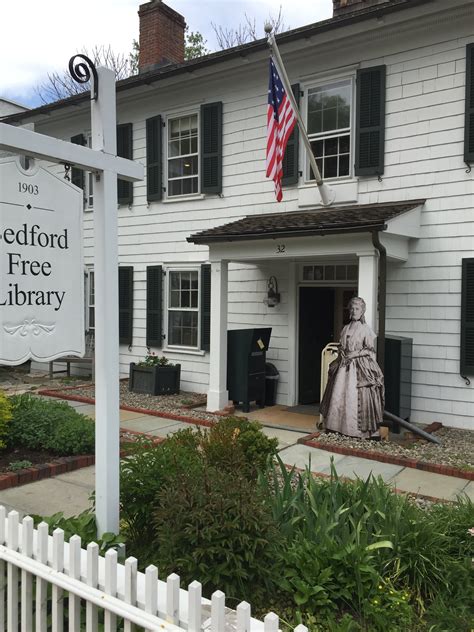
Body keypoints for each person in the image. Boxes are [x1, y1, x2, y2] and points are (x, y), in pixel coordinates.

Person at [320, 297, 384, 439]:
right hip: (344, 367)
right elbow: (342, 345)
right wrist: (342, 352)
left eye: (357, 309)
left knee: (353, 396)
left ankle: (355, 431)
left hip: (359, 368)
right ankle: (336, 427)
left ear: (362, 311)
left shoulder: (365, 329)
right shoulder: (345, 328)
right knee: (339, 395)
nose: (354, 311)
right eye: (352, 309)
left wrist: (354, 354)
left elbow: (370, 350)